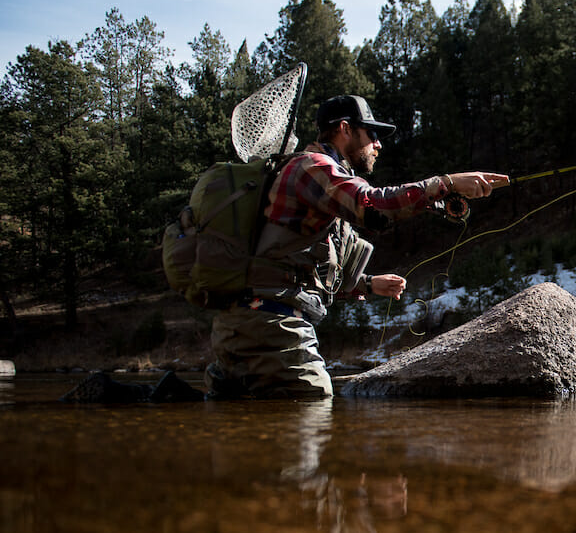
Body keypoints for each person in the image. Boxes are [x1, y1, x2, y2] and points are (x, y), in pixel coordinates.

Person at [205, 94, 509, 399]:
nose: (379, 145)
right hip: (272, 327)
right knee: (310, 409)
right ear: (344, 129)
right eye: (372, 135)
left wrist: (367, 284)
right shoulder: (313, 166)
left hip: (245, 325)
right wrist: (447, 183)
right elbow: (373, 205)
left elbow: (292, 266)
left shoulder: (315, 179)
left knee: (238, 422)